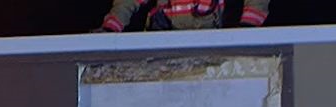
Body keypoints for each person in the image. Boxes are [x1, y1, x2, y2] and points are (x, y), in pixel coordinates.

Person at [98, 0, 268, 31]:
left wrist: (249, 27)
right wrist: (111, 27)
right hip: (165, 37)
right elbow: (127, 1)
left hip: (212, 41)